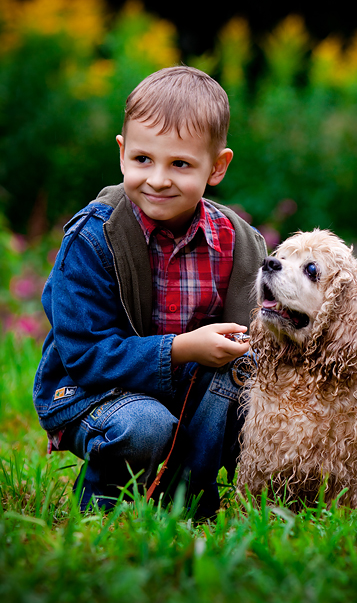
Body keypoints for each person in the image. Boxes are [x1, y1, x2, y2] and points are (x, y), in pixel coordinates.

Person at [33, 66, 267, 517]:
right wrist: (181, 349)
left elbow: (258, 341)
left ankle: (188, 497)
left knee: (246, 383)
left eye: (180, 164)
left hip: (195, 397)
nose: (158, 179)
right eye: (143, 159)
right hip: (94, 393)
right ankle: (102, 503)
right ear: (123, 154)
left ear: (217, 166)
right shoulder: (94, 238)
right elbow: (84, 356)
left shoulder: (239, 244)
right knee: (145, 425)